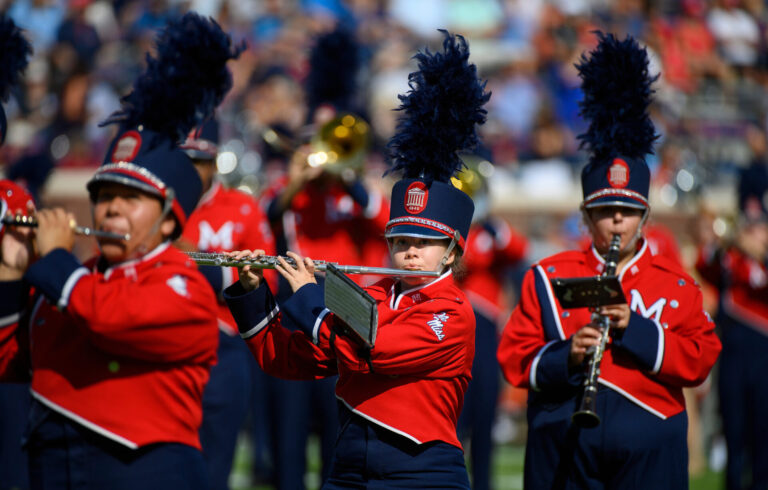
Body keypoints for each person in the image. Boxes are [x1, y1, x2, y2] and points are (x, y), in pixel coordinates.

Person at [223, 30, 489, 488]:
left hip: (420, 471)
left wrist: (309, 295)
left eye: (424, 242)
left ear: (452, 251)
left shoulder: (454, 312)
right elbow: (284, 359)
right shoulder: (372, 294)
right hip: (350, 468)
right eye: (401, 238)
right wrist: (251, 294)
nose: (409, 250)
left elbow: (376, 349)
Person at [0, 12, 242, 489]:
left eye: (131, 200)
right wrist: (10, 279)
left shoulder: (183, 283)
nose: (111, 211)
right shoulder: (76, 279)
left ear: (171, 218)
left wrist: (53, 262)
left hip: (143, 473)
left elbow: (112, 318)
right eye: (105, 196)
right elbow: (11, 362)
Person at [496, 32, 722, 489]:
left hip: (650, 449)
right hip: (563, 446)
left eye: (628, 211)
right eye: (603, 211)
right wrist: (568, 354)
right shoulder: (547, 276)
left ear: (646, 217)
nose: (616, 220)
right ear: (585, 216)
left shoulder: (677, 285)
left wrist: (634, 327)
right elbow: (515, 359)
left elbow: (699, 359)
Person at [177, 117, 277, 490]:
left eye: (198, 163)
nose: (190, 172)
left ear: (213, 162)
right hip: (171, 341)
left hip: (224, 347)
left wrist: (195, 260)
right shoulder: (158, 208)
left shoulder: (242, 208)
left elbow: (267, 279)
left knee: (215, 466)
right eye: (183, 162)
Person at [695, 127, 768, 490]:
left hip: (764, 356)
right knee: (734, 429)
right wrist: (719, 238)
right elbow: (705, 264)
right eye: (751, 227)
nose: (754, 232)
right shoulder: (731, 258)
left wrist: (753, 247)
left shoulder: (756, 257)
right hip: (733, 354)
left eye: (760, 226)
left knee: (763, 436)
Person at [452, 155, 529, 490]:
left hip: (484, 333)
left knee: (484, 418)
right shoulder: (451, 233)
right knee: (453, 419)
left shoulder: (489, 232)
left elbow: (518, 249)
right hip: (453, 326)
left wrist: (490, 220)